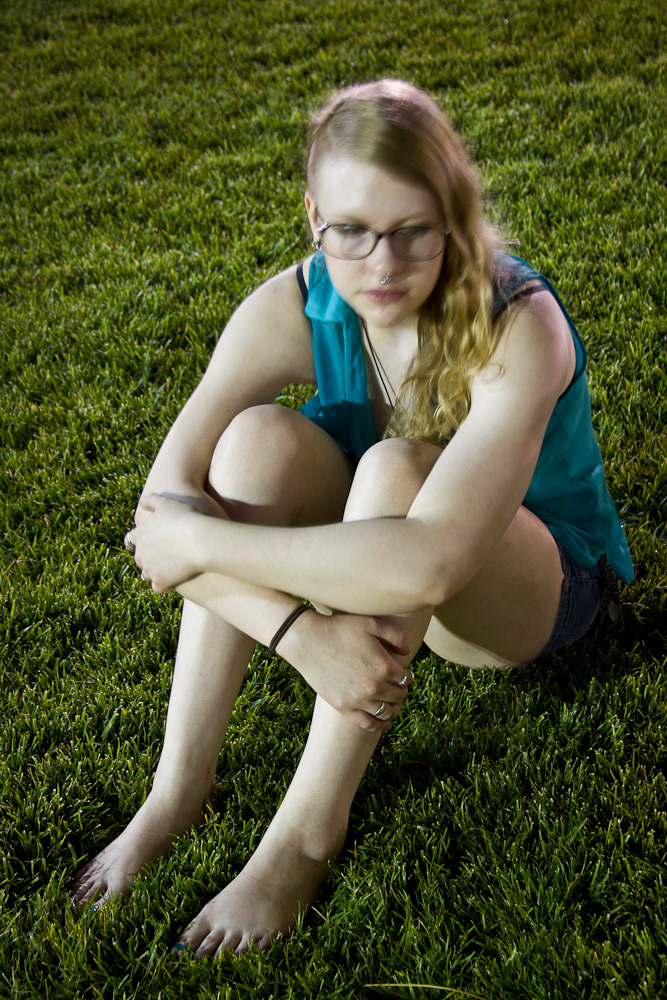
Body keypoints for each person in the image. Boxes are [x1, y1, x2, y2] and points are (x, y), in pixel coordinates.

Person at [71, 79, 633, 957]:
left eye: (413, 229)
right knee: (252, 444)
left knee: (397, 467)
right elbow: (160, 509)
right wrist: (299, 636)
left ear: (452, 218)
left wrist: (202, 542)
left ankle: (304, 834)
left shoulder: (520, 324)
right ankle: (178, 789)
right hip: (378, 554)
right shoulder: (291, 306)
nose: (382, 264)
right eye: (351, 230)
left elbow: (430, 564)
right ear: (313, 219)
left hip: (530, 589)